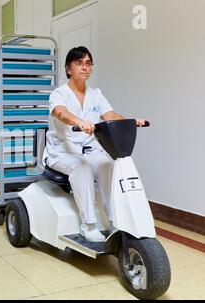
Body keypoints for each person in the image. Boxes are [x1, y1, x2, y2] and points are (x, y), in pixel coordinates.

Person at [44, 46, 147, 242]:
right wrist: (78, 122)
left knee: (107, 164)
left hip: (89, 149)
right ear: (68, 69)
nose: (84, 67)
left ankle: (114, 221)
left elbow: (111, 115)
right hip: (62, 152)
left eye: (88, 63)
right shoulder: (59, 94)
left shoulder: (96, 94)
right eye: (79, 63)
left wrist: (130, 121)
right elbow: (60, 113)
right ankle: (89, 225)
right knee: (82, 168)